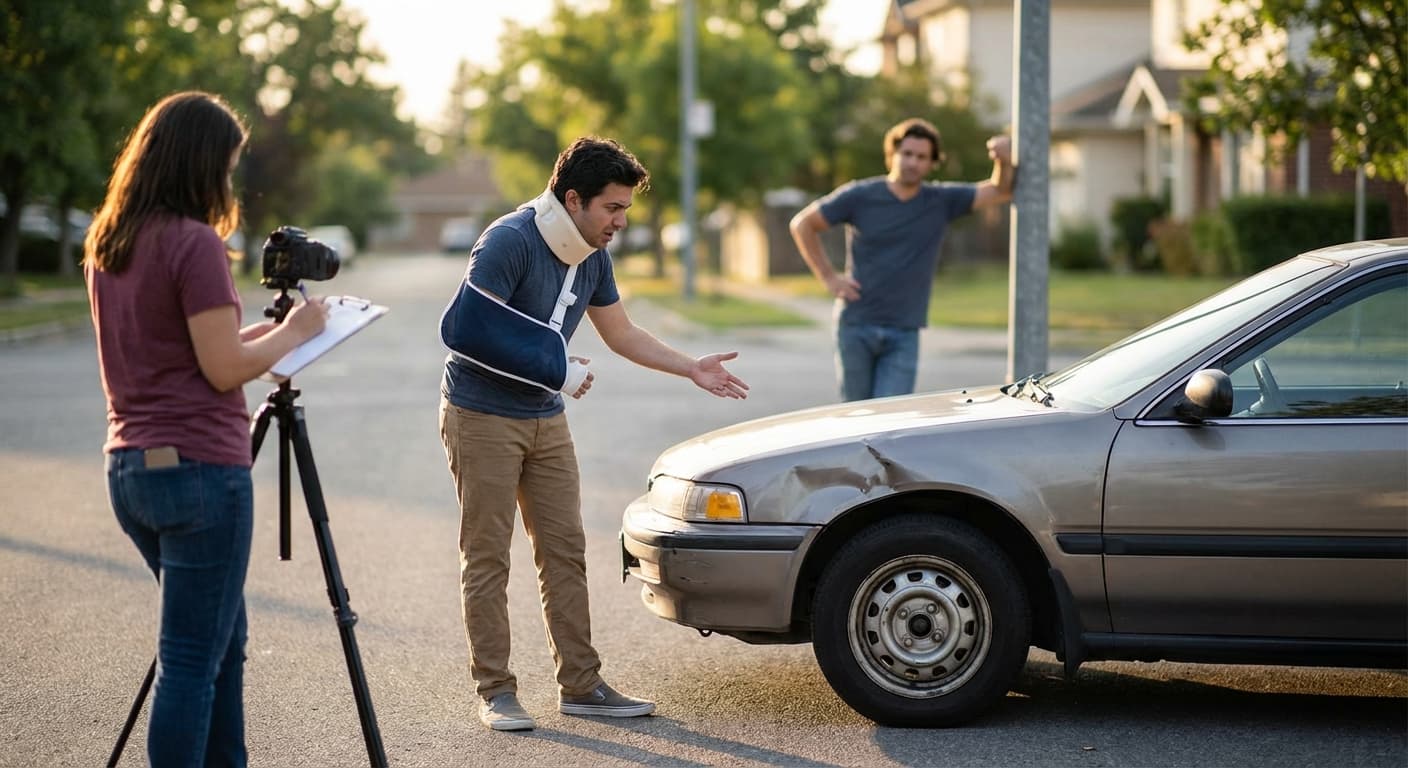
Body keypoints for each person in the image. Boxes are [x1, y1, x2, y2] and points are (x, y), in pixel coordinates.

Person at [438, 136, 749, 732]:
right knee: (487, 556)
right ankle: (496, 690)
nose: (620, 222)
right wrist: (558, 368)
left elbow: (621, 333)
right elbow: (465, 327)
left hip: (543, 416)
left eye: (626, 210)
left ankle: (580, 685)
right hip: (479, 413)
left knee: (565, 551)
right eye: (612, 208)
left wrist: (691, 367)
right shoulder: (510, 239)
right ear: (572, 199)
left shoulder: (593, 253)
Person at [84, 91, 328, 767]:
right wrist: (297, 332)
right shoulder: (194, 244)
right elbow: (224, 369)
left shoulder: (111, 244)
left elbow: (192, 350)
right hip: (199, 474)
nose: (230, 179)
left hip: (134, 469)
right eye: (227, 164)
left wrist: (273, 336)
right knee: (190, 659)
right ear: (203, 163)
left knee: (222, 638)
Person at [789, 117, 1014, 401]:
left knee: (889, 419)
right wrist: (829, 278)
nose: (912, 162)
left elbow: (1000, 191)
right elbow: (802, 224)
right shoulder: (860, 195)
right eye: (906, 154)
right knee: (855, 416)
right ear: (892, 155)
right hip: (856, 324)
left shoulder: (941, 200)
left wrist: (1003, 160)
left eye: (921, 157)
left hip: (904, 330)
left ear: (932, 163)